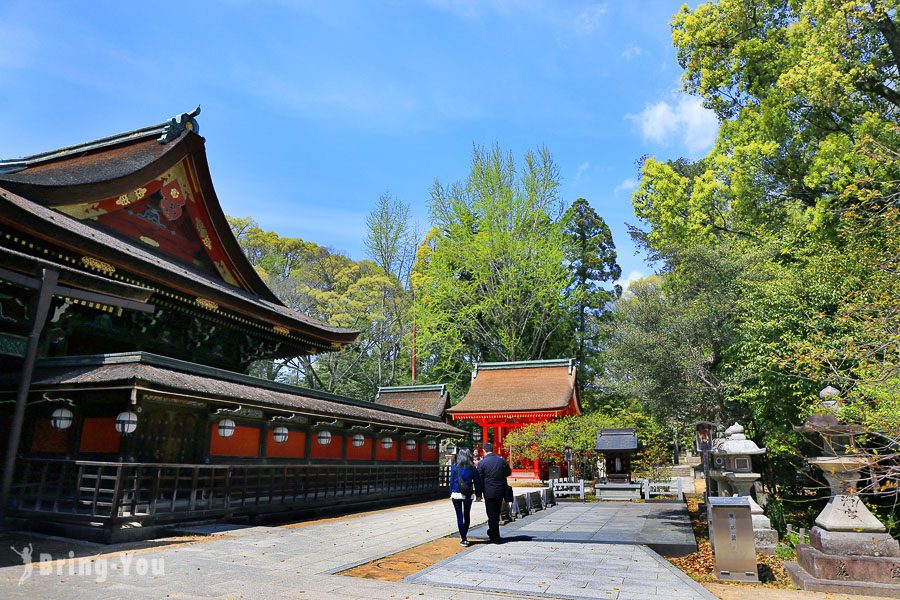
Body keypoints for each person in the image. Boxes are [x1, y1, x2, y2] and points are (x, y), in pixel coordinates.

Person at [477, 442, 511, 544]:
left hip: (488, 491)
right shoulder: (501, 460)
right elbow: (508, 472)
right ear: (493, 449)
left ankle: (495, 537)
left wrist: (478, 494)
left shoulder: (482, 463)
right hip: (500, 490)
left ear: (484, 451)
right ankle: (493, 533)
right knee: (496, 513)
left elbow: (479, 479)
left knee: (491, 514)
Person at [449, 447, 482, 546]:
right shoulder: (472, 468)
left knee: (459, 515)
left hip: (456, 493)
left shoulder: (455, 467)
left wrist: (450, 492)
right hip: (468, 493)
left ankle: (463, 538)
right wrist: (479, 495)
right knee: (467, 515)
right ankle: (465, 535)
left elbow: (451, 481)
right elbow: (477, 482)